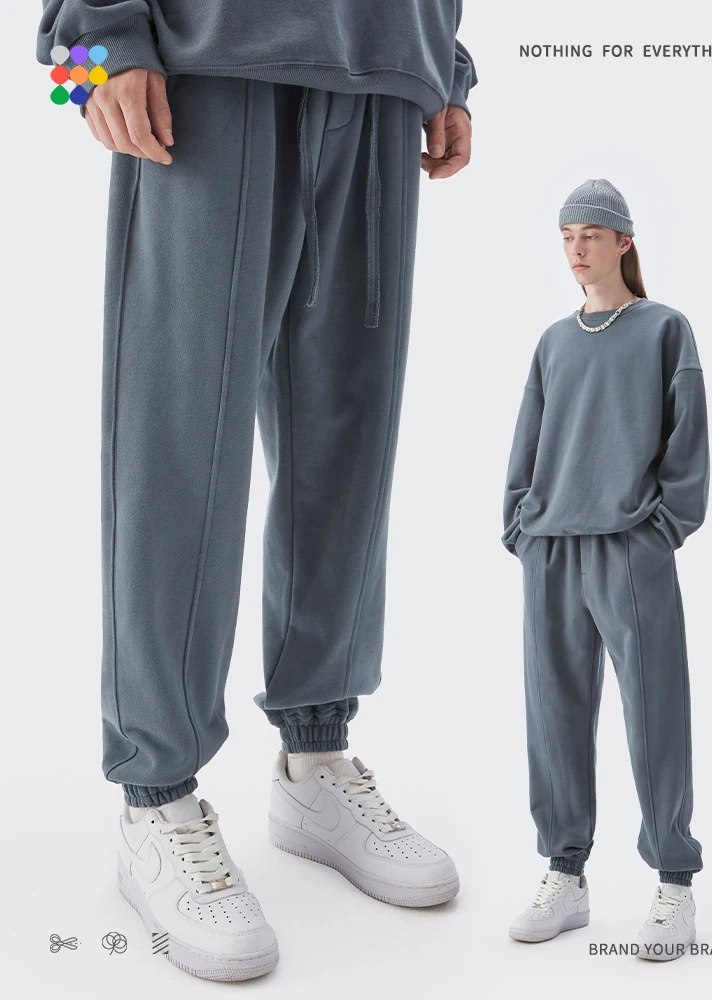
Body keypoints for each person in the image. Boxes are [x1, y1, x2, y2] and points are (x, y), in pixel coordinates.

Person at [36, 1, 476, 981]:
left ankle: (316, 757)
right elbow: (78, 52)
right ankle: (154, 799)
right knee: (178, 435)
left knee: (350, 437)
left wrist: (443, 61)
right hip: (211, 54)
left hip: (383, 65)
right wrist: (91, 44)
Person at [502, 179, 709, 961]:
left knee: (655, 711)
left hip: (628, 546)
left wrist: (660, 530)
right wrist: (521, 526)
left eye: (590, 234)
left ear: (624, 241)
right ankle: (566, 873)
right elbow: (528, 440)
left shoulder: (664, 329)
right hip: (552, 549)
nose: (576, 249)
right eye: (566, 236)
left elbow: (688, 445)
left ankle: (675, 882)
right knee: (553, 713)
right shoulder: (554, 342)